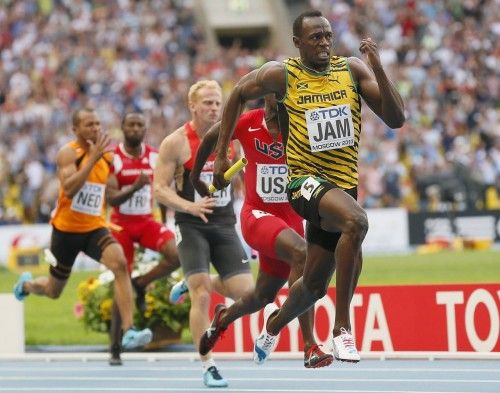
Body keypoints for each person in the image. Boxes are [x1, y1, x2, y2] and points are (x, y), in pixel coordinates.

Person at [212, 10, 405, 364]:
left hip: (341, 186)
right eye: (315, 37)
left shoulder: (351, 70)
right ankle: (342, 328)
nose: (324, 43)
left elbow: (396, 119)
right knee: (357, 223)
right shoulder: (283, 74)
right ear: (298, 42)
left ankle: (274, 323)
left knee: (314, 285)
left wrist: (377, 67)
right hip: (303, 182)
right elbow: (238, 93)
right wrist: (223, 152)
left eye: (328, 35)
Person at [191, 95, 333, 368]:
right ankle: (309, 345)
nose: (279, 97)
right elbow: (210, 136)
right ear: (265, 94)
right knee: (302, 255)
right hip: (257, 215)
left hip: (291, 220)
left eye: (285, 90)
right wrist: (195, 176)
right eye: (274, 91)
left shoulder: (302, 122)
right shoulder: (247, 122)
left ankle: (222, 319)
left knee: (261, 297)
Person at [13, 108, 153, 351]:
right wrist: (92, 159)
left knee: (120, 264)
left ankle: (128, 330)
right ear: (75, 129)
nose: (95, 129)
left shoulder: (108, 158)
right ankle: (27, 286)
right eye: (89, 124)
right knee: (53, 290)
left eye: (98, 124)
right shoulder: (68, 153)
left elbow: (111, 192)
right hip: (65, 232)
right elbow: (69, 189)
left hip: (94, 228)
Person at [153, 80, 254, 388]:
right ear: (192, 106)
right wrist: (189, 206)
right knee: (202, 294)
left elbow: (239, 178)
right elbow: (158, 189)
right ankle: (208, 364)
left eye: (217, 102)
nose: (213, 108)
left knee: (248, 295)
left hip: (223, 224)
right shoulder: (176, 142)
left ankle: (194, 281)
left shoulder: (232, 137)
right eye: (207, 103)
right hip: (191, 224)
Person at [105, 112, 181, 365]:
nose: (136, 129)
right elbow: (111, 198)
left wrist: (163, 219)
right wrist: (135, 188)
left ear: (145, 130)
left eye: (140, 125)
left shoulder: (155, 156)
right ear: (123, 127)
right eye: (131, 125)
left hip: (146, 220)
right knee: (120, 280)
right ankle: (115, 347)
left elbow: (161, 191)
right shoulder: (113, 158)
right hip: (120, 225)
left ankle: (140, 284)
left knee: (176, 254)